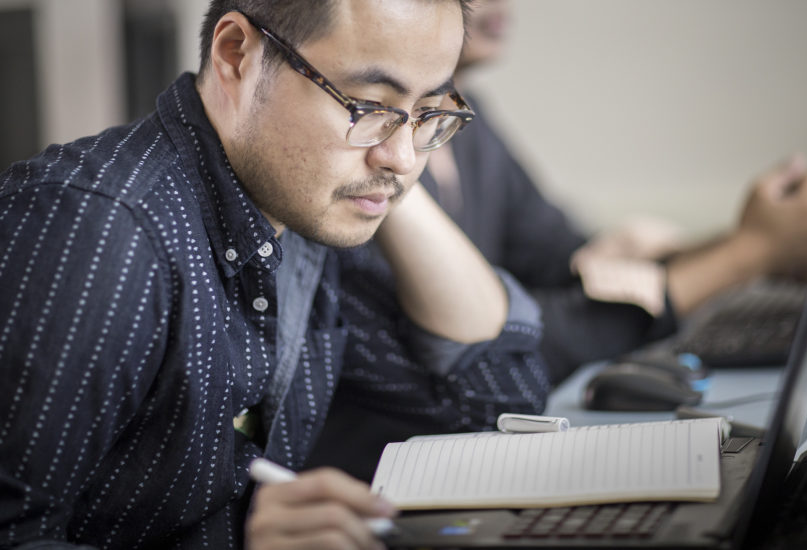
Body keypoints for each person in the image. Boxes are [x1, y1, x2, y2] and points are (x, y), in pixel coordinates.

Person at [0, 1, 551, 548]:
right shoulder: (102, 232)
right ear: (236, 54)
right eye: (366, 103)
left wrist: (388, 172)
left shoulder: (306, 209)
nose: (405, 157)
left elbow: (495, 397)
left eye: (431, 111)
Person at [420, 0, 807, 382]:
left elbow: (569, 261)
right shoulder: (385, 161)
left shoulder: (471, 124)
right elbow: (509, 343)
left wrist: (746, 245)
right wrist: (748, 255)